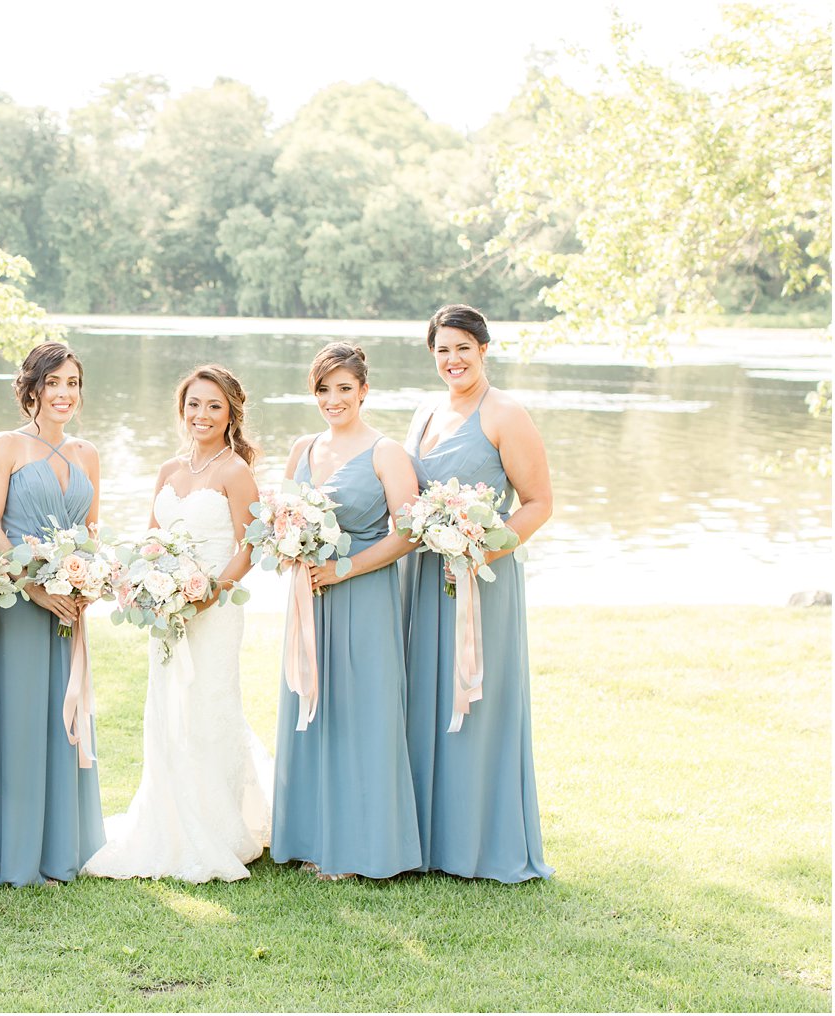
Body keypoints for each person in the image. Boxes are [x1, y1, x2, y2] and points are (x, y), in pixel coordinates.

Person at [82, 364, 273, 883]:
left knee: (209, 706)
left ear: (231, 412)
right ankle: (166, 821)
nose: (202, 415)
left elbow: (251, 543)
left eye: (214, 405)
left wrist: (210, 593)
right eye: (194, 404)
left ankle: (218, 825)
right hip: (167, 610)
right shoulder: (168, 470)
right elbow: (151, 535)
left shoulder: (235, 471)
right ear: (182, 409)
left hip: (214, 610)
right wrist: (148, 582)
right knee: (167, 708)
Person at [403, 304, 554, 882]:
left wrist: (476, 551)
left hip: (480, 581)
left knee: (477, 701)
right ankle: (427, 840)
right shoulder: (425, 409)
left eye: (463, 347)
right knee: (426, 696)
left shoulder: (506, 414)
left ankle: (477, 845)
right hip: (424, 577)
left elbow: (538, 504)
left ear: (484, 349)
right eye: (442, 349)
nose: (452, 359)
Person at [271, 343, 423, 881]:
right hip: (308, 595)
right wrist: (290, 547)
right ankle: (310, 837)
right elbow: (280, 515)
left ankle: (366, 845)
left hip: (363, 593)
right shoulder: (303, 448)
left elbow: (407, 533)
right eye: (322, 389)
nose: (332, 399)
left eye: (343, 388)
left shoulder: (386, 452)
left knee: (363, 709)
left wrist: (345, 569)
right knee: (310, 703)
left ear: (363, 390)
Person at [0, 343, 106, 884]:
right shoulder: (8, 445)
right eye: (53, 383)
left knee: (63, 720)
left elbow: (92, 534)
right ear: (32, 388)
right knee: (20, 717)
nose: (64, 394)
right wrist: (32, 585)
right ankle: (11, 848)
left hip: (67, 608)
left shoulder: (88, 453)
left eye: (72, 383)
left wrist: (86, 582)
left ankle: (59, 847)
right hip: (18, 605)